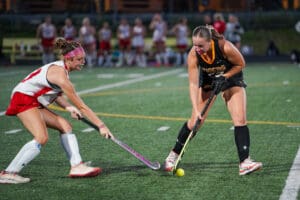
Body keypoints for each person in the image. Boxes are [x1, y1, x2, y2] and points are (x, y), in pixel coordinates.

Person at [0, 37, 113, 184]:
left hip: (34, 100)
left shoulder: (62, 70)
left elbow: (54, 94)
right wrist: (101, 126)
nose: (83, 62)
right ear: (69, 59)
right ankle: (8, 173)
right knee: (41, 137)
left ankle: (77, 166)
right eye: (79, 59)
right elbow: (83, 107)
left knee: (65, 126)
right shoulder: (61, 76)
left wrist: (68, 107)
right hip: (24, 99)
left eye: (83, 59)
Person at [164, 25, 262, 176]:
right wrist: (196, 110)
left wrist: (224, 77)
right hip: (209, 80)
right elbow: (192, 83)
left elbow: (241, 64)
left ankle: (244, 163)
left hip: (231, 76)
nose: (197, 48)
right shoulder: (193, 54)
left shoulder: (225, 47)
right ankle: (173, 156)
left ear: (210, 42)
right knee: (195, 121)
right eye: (194, 45)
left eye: (200, 45)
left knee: (240, 118)